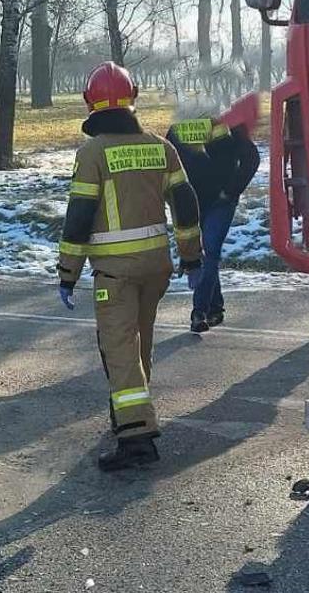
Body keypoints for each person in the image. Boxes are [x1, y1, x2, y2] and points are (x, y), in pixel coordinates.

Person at [56, 62, 204, 472]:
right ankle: (129, 416)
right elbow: (186, 205)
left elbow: (80, 217)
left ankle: (137, 437)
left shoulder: (92, 152)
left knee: (119, 349)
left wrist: (67, 272)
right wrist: (192, 257)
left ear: (91, 102)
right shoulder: (161, 147)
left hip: (115, 273)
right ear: (132, 99)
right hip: (157, 267)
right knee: (139, 345)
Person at [166, 110, 260, 333]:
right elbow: (167, 164)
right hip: (192, 205)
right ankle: (215, 307)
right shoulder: (177, 128)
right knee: (207, 252)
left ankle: (199, 312)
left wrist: (231, 191)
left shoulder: (228, 123)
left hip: (220, 202)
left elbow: (251, 158)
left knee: (208, 250)